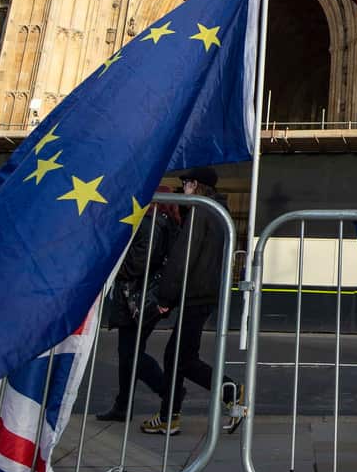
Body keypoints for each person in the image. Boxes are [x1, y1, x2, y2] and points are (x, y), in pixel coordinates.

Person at [140, 167, 245, 436]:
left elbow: (183, 257)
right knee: (181, 358)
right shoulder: (218, 211)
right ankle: (173, 414)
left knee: (178, 357)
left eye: (185, 183)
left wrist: (165, 296)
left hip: (195, 293)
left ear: (195, 184)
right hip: (204, 293)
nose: (182, 187)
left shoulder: (200, 211)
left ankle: (224, 394)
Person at [96, 187, 180, 422]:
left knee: (131, 355)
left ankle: (169, 393)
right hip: (144, 299)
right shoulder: (167, 224)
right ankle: (123, 405)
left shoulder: (151, 224)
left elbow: (139, 263)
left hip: (136, 298)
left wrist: (113, 269)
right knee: (129, 354)